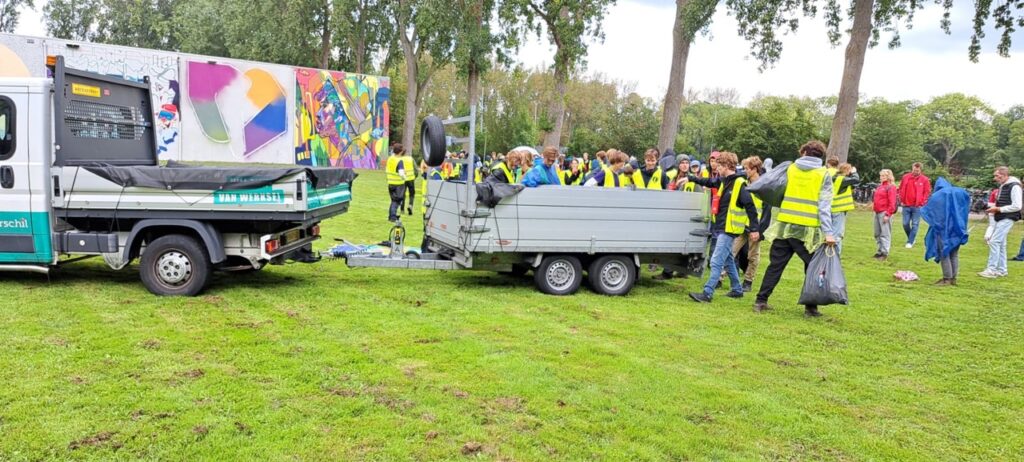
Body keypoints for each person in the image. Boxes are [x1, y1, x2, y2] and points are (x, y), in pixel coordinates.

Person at [752, 140, 835, 317]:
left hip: (785, 226)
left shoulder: (790, 169)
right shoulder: (823, 174)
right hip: (808, 231)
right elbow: (824, 206)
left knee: (776, 266)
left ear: (804, 152)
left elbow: (775, 190)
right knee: (811, 268)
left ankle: (761, 301)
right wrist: (829, 232)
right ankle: (810, 308)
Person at [682, 152, 760, 302]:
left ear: (727, 166)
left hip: (729, 229)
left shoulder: (739, 184)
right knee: (729, 259)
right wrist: (691, 178)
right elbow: (709, 182)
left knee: (716, 261)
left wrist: (755, 229)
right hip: (723, 226)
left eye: (719, 167)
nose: (716, 169)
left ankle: (707, 293)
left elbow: (750, 207)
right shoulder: (724, 181)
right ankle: (737, 289)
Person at [731, 156, 771, 292]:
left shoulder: (764, 187)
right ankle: (720, 278)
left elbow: (766, 212)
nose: (744, 171)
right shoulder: (744, 183)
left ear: (754, 169)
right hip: (741, 225)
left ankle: (748, 281)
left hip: (756, 228)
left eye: (747, 168)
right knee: (731, 251)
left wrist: (760, 230)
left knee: (753, 256)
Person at [922, 178, 970, 285]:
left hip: (943, 229)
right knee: (954, 254)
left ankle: (946, 278)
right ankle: (953, 278)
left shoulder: (939, 195)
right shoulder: (959, 193)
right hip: (957, 229)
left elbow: (929, 211)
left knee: (944, 253)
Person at [979, 166, 1022, 278]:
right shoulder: (1004, 186)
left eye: (997, 176)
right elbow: (1002, 203)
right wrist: (989, 206)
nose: (995, 178)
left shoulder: (1014, 186)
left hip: (1008, 217)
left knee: (994, 241)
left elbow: (1017, 205)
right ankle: (1002, 270)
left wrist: (998, 209)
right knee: (1001, 244)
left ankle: (991, 269)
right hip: (1001, 216)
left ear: (1004, 175)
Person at [898, 162, 932, 248]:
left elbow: (927, 192)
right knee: (905, 224)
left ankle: (910, 241)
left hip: (917, 206)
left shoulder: (924, 180)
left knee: (915, 224)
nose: (915, 172)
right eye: (914, 170)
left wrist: (922, 202)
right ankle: (912, 238)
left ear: (920, 170)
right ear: (912, 168)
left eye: (917, 170)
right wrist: (901, 199)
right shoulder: (905, 177)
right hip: (906, 204)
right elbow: (901, 188)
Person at [829, 162, 860, 253]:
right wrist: (854, 172)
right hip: (838, 209)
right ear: (847, 170)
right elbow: (856, 180)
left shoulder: (834, 177)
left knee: (832, 232)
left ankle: (831, 253)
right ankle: (835, 254)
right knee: (837, 233)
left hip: (832, 208)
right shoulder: (842, 179)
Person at [872, 169, 898, 261]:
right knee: (877, 233)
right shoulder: (879, 187)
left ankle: (884, 252)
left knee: (885, 233)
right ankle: (879, 250)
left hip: (884, 211)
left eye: (884, 176)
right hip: (877, 211)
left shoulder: (891, 187)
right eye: (881, 176)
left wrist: (888, 214)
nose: (882, 177)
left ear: (888, 177)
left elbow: (892, 202)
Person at [385, 143, 410, 222]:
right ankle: (392, 217)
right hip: (398, 183)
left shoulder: (390, 158)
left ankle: (391, 215)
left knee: (393, 200)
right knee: (397, 200)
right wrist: (406, 178)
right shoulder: (399, 160)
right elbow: (401, 173)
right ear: (400, 151)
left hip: (390, 182)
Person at [401, 149, 416, 215]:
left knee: (403, 194)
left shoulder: (400, 159)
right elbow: (415, 169)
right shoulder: (411, 159)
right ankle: (410, 205)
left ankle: (402, 209)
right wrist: (414, 176)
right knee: (412, 194)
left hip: (403, 179)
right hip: (411, 179)